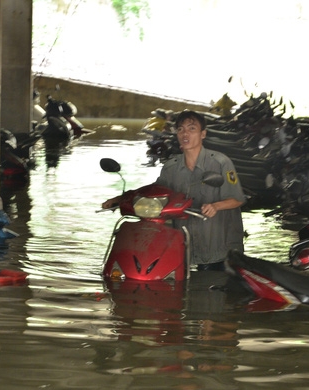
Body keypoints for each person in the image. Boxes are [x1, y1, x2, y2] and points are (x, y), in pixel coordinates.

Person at [102, 110, 246, 271]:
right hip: (185, 245)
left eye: (192, 129)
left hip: (218, 247)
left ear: (203, 134)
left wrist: (216, 206)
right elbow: (155, 190)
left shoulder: (220, 162)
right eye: (180, 129)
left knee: (211, 290)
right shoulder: (171, 166)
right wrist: (120, 199)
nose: (185, 133)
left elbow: (237, 198)